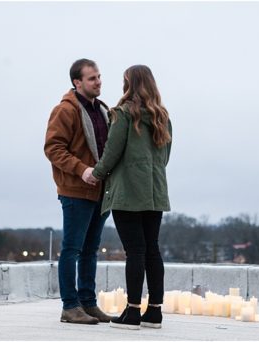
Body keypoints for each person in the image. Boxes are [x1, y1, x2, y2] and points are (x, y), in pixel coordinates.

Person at [83, 64, 172, 330]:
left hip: (128, 192)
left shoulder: (122, 114)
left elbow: (112, 153)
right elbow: (165, 157)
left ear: (129, 84)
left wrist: (95, 174)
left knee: (135, 250)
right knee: (152, 249)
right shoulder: (162, 117)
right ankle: (154, 312)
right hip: (155, 191)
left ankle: (132, 312)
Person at [44, 58, 113, 324]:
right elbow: (53, 148)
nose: (98, 82)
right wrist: (82, 169)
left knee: (90, 250)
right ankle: (69, 306)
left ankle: (88, 303)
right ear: (77, 82)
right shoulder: (65, 110)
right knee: (72, 249)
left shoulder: (103, 110)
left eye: (99, 77)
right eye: (92, 78)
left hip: (100, 190)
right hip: (75, 190)